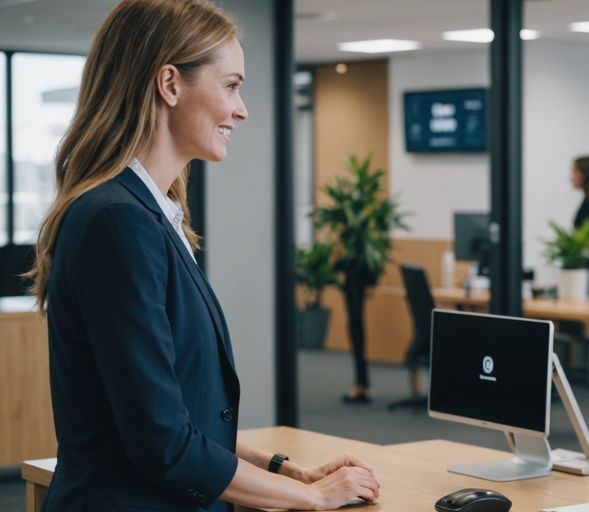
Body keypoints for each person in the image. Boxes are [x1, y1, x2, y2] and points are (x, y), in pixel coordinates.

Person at [29, 1, 381, 510]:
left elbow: (179, 414)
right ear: (170, 84)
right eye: (232, 86)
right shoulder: (118, 222)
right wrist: (316, 499)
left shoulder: (149, 214)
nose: (242, 109)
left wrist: (289, 472)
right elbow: (163, 442)